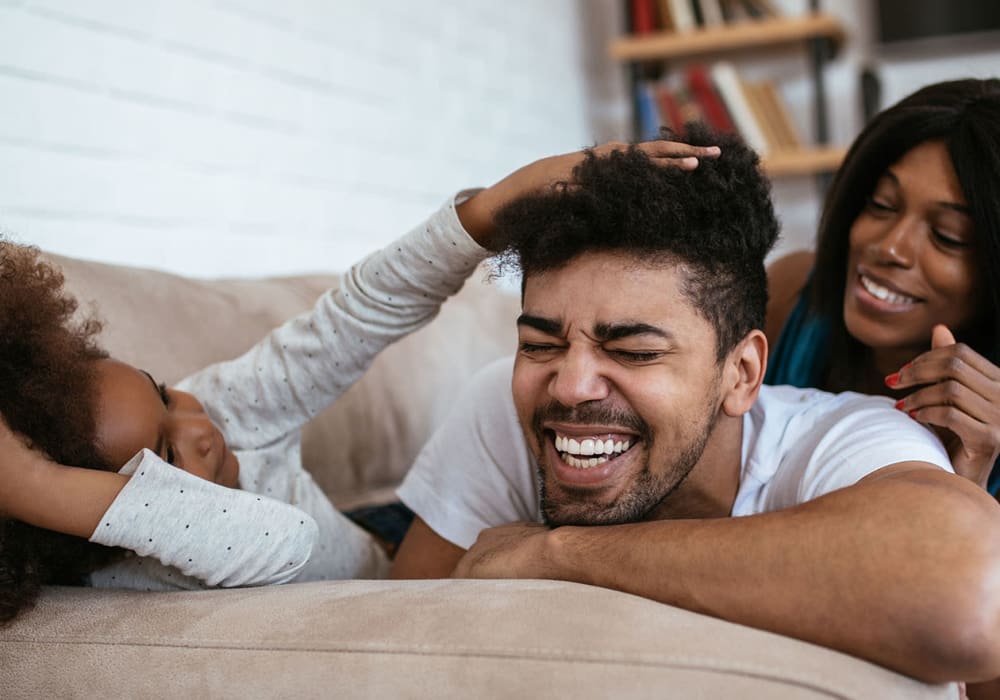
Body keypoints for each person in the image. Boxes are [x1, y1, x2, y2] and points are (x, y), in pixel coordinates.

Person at [0, 139, 722, 625]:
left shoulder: (215, 404)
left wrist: (493, 208)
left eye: (161, 392)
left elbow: (359, 316)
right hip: (374, 589)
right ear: (98, 520)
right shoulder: (119, 569)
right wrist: (35, 486)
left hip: (386, 539)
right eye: (164, 457)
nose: (199, 424)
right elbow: (280, 539)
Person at [391, 127, 1000, 684]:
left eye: (631, 351)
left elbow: (971, 599)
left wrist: (553, 552)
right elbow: (386, 644)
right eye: (541, 343)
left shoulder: (853, 436)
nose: (570, 386)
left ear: (743, 374)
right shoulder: (503, 402)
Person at [765, 78, 1000, 493]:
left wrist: (965, 488)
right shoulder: (786, 299)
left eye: (948, 236)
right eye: (881, 205)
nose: (890, 247)